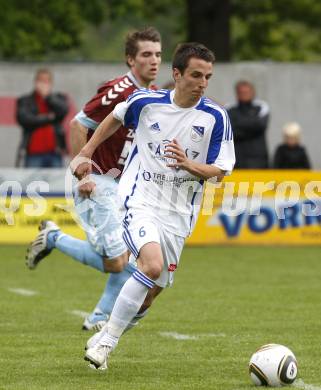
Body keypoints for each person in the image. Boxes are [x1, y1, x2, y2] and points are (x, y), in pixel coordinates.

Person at [74, 42, 235, 370]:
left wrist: (189, 165)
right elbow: (113, 119)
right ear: (176, 74)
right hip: (139, 198)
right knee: (150, 265)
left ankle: (107, 331)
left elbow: (220, 171)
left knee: (151, 293)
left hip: (178, 214)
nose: (203, 82)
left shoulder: (216, 117)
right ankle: (107, 342)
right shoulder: (146, 102)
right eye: (195, 75)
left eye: (208, 76)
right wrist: (86, 153)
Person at [26, 27, 162, 331]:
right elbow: (77, 124)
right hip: (99, 181)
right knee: (117, 262)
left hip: (123, 188)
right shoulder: (119, 90)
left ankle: (99, 318)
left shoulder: (150, 95)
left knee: (128, 259)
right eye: (146, 54)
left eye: (158, 54)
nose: (154, 60)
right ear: (130, 59)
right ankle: (54, 238)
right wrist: (83, 173)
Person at [16, 68, 68, 167]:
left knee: (57, 182)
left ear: (51, 83)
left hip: (55, 152)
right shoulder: (25, 100)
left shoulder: (58, 98)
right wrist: (49, 117)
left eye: (46, 81)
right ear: (35, 82)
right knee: (32, 182)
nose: (43, 84)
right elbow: (24, 119)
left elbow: (63, 111)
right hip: (33, 153)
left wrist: (48, 97)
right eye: (41, 80)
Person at [227, 80, 269, 169]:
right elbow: (230, 131)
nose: (244, 94)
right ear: (237, 93)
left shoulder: (262, 107)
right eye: (241, 92)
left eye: (246, 92)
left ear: (253, 92)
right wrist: (251, 124)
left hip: (258, 161)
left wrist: (238, 123)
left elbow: (260, 125)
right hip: (236, 160)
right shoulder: (230, 109)